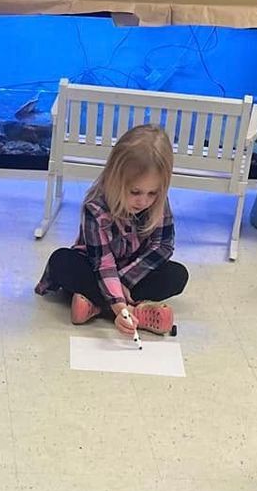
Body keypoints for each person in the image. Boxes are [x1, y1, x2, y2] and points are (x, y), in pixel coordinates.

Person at [35, 124, 187, 337]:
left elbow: (162, 247)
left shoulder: (157, 202)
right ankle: (132, 310)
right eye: (135, 192)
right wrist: (119, 306)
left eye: (152, 193)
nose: (144, 200)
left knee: (177, 275)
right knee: (61, 261)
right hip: (95, 269)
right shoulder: (95, 206)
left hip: (134, 272)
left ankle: (96, 306)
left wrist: (124, 281)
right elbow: (103, 264)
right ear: (116, 179)